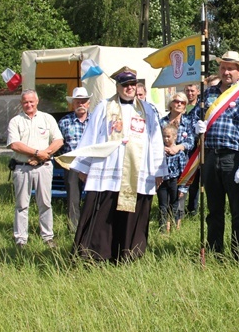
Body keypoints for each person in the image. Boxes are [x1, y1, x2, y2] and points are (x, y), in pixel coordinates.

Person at [71, 66, 167, 263]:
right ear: (118, 86)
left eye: (132, 84)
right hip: (107, 169)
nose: (129, 88)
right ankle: (95, 254)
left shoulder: (147, 110)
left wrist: (159, 169)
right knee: (102, 213)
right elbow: (91, 135)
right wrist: (83, 166)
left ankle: (129, 254)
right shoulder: (103, 107)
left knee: (132, 215)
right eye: (125, 84)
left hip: (138, 170)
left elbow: (156, 140)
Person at [195, 51, 239, 259]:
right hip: (211, 155)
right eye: (223, 67)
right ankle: (215, 250)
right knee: (214, 209)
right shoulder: (208, 93)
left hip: (234, 158)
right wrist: (198, 125)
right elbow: (196, 115)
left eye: (230, 68)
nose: (226, 71)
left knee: (237, 210)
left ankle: (238, 252)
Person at [7, 90, 64, 249]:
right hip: (22, 168)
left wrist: (41, 157)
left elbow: (58, 140)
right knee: (21, 204)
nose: (29, 104)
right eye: (25, 102)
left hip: (44, 167)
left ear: (37, 101)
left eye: (31, 101)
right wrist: (37, 153)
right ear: (21, 103)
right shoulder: (15, 121)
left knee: (45, 203)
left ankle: (48, 237)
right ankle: (20, 239)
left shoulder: (47, 118)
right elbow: (15, 145)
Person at [159, 92, 195, 230]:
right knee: (164, 199)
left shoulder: (188, 122)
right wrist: (165, 148)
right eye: (176, 101)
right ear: (170, 103)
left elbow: (191, 142)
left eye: (183, 102)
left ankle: (176, 226)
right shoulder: (162, 121)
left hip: (182, 165)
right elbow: (154, 141)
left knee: (179, 197)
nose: (179, 104)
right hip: (164, 165)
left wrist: (178, 147)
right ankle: (164, 225)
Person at [58, 87, 92, 232]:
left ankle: (92, 227)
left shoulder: (95, 121)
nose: (81, 104)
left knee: (93, 197)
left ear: (88, 103)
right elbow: (58, 143)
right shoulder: (64, 122)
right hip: (72, 164)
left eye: (83, 102)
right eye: (78, 102)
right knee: (73, 198)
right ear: (73, 104)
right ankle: (74, 228)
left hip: (92, 164)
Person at [157, 123, 189, 232]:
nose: (166, 139)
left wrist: (182, 188)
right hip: (162, 181)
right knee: (162, 205)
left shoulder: (179, 153)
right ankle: (162, 229)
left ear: (175, 136)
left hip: (174, 181)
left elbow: (183, 171)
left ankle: (174, 227)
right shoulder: (160, 151)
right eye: (164, 136)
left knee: (174, 205)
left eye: (168, 136)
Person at [183, 84, 201, 216]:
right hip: (184, 147)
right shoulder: (181, 106)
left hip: (198, 146)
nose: (190, 93)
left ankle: (193, 208)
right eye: (187, 91)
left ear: (198, 92)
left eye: (192, 91)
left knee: (196, 179)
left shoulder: (201, 107)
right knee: (185, 177)